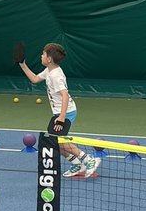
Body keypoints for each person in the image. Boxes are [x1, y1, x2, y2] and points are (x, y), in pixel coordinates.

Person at [18, 43, 100, 178]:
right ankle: (78, 165)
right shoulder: (49, 71)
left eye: (43, 54)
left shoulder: (56, 75)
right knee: (55, 142)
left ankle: (89, 160)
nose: (41, 56)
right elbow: (34, 79)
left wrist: (61, 117)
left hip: (67, 112)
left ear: (49, 59)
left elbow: (65, 95)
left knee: (60, 141)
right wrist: (23, 65)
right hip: (59, 113)